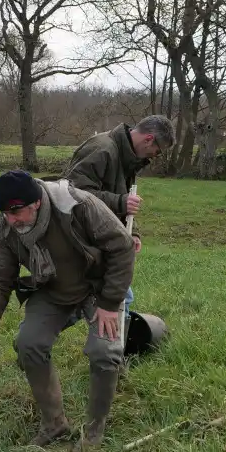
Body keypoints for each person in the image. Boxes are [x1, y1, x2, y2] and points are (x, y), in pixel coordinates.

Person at [0, 170, 135, 450]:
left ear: (35, 203)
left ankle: (94, 433)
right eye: (5, 213)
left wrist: (109, 304)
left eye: (16, 211)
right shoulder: (7, 228)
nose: (10, 219)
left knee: (104, 352)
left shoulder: (77, 205)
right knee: (28, 343)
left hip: (97, 289)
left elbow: (122, 247)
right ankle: (54, 424)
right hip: (52, 289)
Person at [63, 115, 173, 315]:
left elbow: (123, 195)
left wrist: (133, 232)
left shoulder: (127, 155)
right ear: (148, 139)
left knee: (115, 295)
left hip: (102, 235)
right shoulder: (102, 149)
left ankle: (109, 339)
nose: (153, 157)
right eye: (157, 152)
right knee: (109, 297)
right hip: (81, 237)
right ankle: (109, 341)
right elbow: (72, 193)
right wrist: (120, 202)